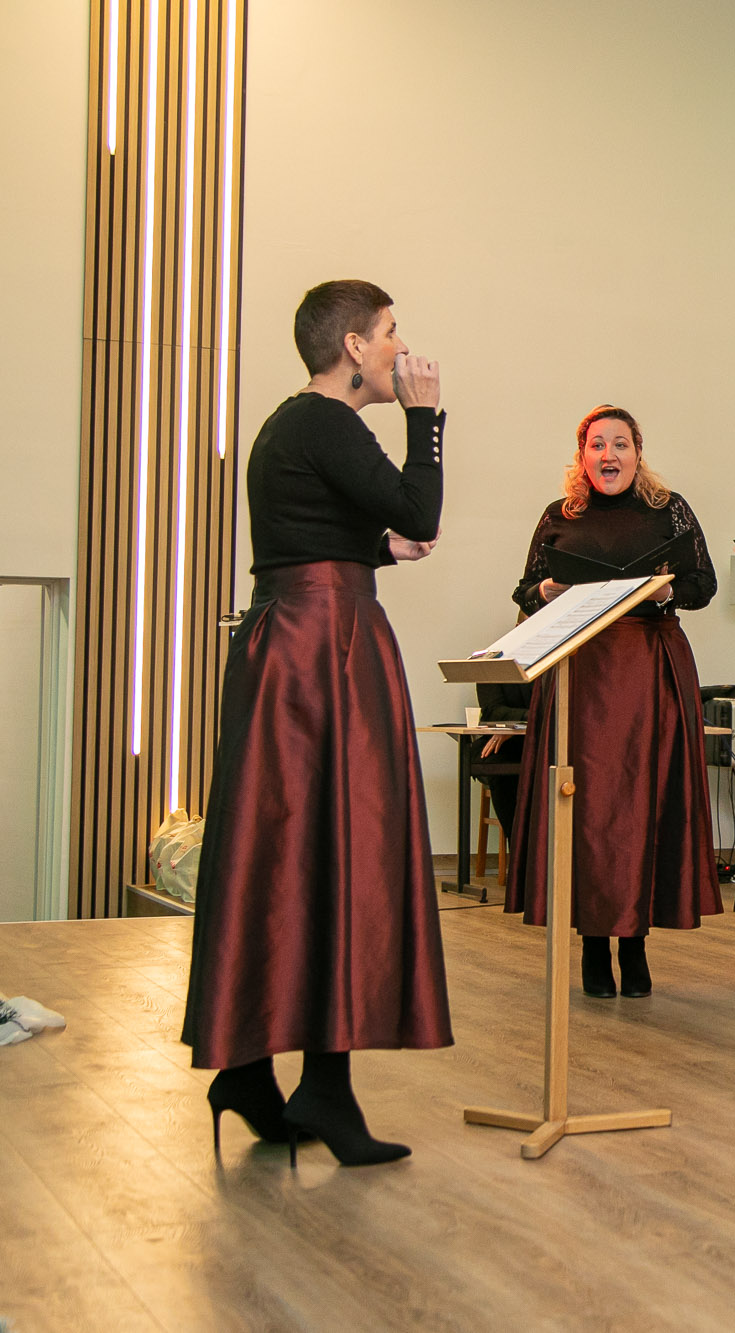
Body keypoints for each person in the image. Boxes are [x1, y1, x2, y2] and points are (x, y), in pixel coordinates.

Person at [181, 279, 451, 1167]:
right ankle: (325, 1090)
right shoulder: (332, 422)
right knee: (341, 847)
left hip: (288, 637)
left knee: (284, 852)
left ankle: (249, 1071)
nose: (401, 348)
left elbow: (306, 535)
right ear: (354, 348)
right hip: (323, 647)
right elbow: (420, 510)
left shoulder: (289, 425)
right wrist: (427, 418)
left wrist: (377, 550)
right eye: (390, 332)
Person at [506, 405, 722, 1000]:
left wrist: (662, 589)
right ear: (582, 457)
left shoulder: (668, 509)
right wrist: (547, 589)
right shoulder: (560, 515)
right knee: (589, 808)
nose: (609, 454)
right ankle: (595, 947)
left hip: (650, 668)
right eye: (597, 444)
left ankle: (636, 943)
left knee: (642, 803)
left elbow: (702, 585)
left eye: (620, 444)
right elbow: (525, 589)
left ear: (637, 452)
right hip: (581, 674)